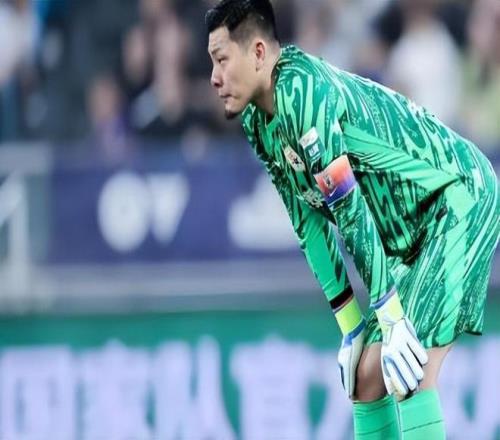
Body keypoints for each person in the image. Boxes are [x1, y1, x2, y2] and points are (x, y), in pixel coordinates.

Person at [205, 0, 499, 438]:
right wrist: (351, 326)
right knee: (366, 379)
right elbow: (307, 222)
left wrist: (391, 318)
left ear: (259, 53)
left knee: (410, 370)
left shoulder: (304, 94)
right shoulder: (257, 120)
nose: (214, 77)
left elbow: (349, 207)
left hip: (457, 197)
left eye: (221, 59)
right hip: (408, 234)